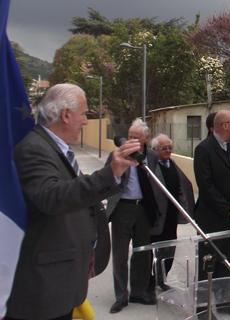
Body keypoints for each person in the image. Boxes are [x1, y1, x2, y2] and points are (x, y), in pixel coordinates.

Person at [6, 83, 140, 320]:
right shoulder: (34, 149)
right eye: (84, 114)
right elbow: (53, 197)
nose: (86, 121)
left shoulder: (54, 148)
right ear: (66, 115)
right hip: (45, 292)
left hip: (63, 283)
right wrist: (110, 173)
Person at [193, 110, 230, 318]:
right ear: (224, 125)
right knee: (209, 264)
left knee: (229, 261)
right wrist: (227, 208)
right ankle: (204, 309)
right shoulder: (204, 149)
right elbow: (206, 186)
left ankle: (225, 301)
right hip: (212, 218)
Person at [105, 119, 161, 313]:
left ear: (146, 139)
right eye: (129, 136)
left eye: (136, 137)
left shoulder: (152, 157)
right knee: (120, 254)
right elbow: (106, 178)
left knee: (142, 253)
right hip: (123, 208)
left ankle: (138, 292)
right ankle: (121, 296)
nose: (131, 140)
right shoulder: (118, 154)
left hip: (143, 209)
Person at [148, 134, 194, 291]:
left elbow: (182, 187)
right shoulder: (150, 167)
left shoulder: (172, 164)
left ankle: (161, 279)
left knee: (169, 250)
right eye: (164, 148)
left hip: (171, 216)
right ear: (154, 150)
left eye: (169, 147)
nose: (168, 150)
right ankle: (148, 283)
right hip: (155, 217)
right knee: (152, 252)